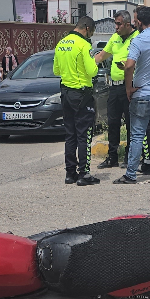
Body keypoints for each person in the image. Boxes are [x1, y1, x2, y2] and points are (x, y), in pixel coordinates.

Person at [115, 6, 150, 184]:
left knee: (137, 135)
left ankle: (131, 174)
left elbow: (129, 65)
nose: (134, 23)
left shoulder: (139, 40)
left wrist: (128, 88)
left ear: (139, 21)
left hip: (143, 95)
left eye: (135, 20)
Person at [53, 16, 100, 186]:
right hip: (81, 95)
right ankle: (84, 174)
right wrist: (95, 62)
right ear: (87, 28)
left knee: (70, 135)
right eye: (92, 31)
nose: (91, 35)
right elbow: (92, 71)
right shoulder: (84, 45)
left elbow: (56, 69)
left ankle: (69, 173)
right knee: (84, 135)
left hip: (65, 94)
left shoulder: (61, 43)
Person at [94, 11, 139, 170]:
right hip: (114, 87)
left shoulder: (137, 37)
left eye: (119, 24)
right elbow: (100, 57)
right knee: (113, 122)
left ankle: (129, 155)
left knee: (131, 123)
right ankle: (112, 156)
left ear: (128, 24)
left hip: (130, 86)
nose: (116, 27)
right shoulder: (114, 38)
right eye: (116, 23)